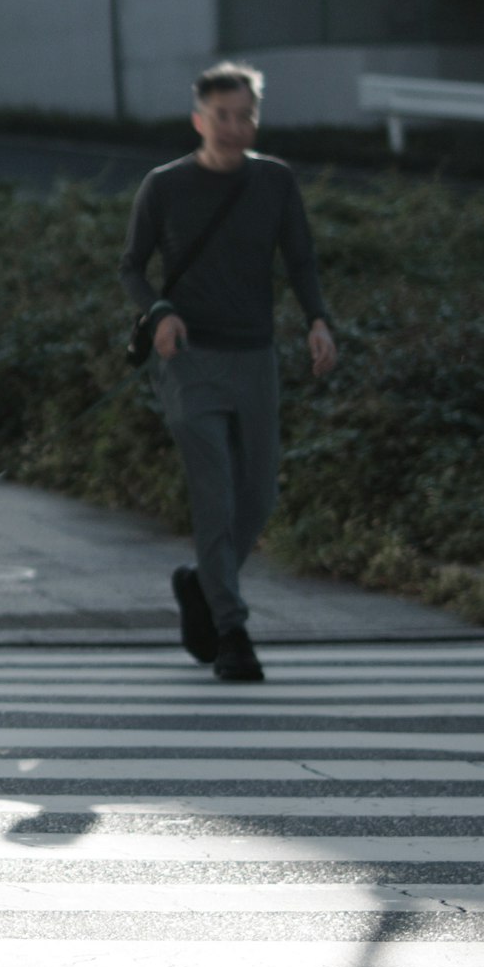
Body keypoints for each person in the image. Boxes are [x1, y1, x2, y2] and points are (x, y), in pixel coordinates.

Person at [120, 62, 337, 684]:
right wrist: (158, 311)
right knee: (214, 494)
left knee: (259, 494)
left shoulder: (274, 181)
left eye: (246, 115)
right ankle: (232, 629)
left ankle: (200, 583)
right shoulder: (163, 186)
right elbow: (131, 266)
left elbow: (299, 259)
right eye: (223, 116)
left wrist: (317, 321)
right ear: (199, 119)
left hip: (256, 356)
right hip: (187, 359)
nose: (236, 126)